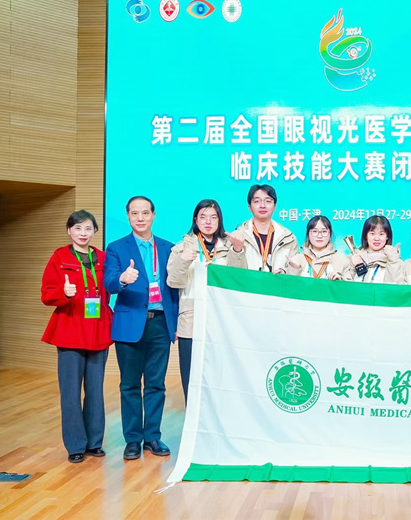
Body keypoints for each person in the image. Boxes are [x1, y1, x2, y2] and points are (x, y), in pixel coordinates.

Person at [104, 196, 178, 461]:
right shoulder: (116, 247)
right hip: (129, 324)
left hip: (160, 322)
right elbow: (109, 283)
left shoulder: (169, 248)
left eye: (145, 213)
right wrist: (122, 279)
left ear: (153, 215)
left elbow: (175, 289)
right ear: (127, 216)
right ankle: (133, 439)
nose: (140, 218)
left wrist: (175, 322)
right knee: (130, 385)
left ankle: (153, 437)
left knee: (156, 384)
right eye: (134, 213)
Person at [40, 210, 113, 463]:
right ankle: (75, 445)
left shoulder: (103, 258)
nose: (83, 233)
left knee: (95, 389)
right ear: (69, 230)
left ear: (95, 231)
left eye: (88, 228)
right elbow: (46, 294)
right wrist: (64, 292)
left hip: (98, 330)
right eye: (78, 228)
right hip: (69, 329)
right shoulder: (59, 257)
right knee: (70, 391)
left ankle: (94, 442)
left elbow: (111, 285)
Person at [167, 199, 230, 403]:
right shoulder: (181, 248)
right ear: (195, 220)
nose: (208, 221)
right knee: (191, 375)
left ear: (219, 220)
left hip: (221, 319)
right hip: (191, 320)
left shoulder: (230, 248)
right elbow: (174, 281)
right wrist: (184, 259)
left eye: (213, 217)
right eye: (203, 217)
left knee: (220, 375)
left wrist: (238, 253)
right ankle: (193, 418)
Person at [226, 184, 299, 274]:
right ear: (250, 207)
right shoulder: (236, 237)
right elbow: (232, 275)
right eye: (257, 201)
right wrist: (237, 250)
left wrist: (284, 273)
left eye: (268, 201)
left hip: (277, 283)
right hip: (248, 283)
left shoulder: (288, 238)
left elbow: (296, 274)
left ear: (274, 207)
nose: (262, 205)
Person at [287, 215, 352, 280]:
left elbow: (350, 285)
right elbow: (288, 283)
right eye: (315, 231)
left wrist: (340, 280)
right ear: (308, 235)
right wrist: (295, 269)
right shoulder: (297, 259)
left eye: (324, 231)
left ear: (330, 235)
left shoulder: (341, 259)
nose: (319, 236)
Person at [350, 215, 405, 284]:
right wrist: (352, 267)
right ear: (366, 235)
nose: (376, 238)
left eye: (381, 234)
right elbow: (345, 286)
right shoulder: (355, 257)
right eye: (372, 234)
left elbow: (395, 287)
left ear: (387, 237)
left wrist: (393, 260)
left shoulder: (395, 260)